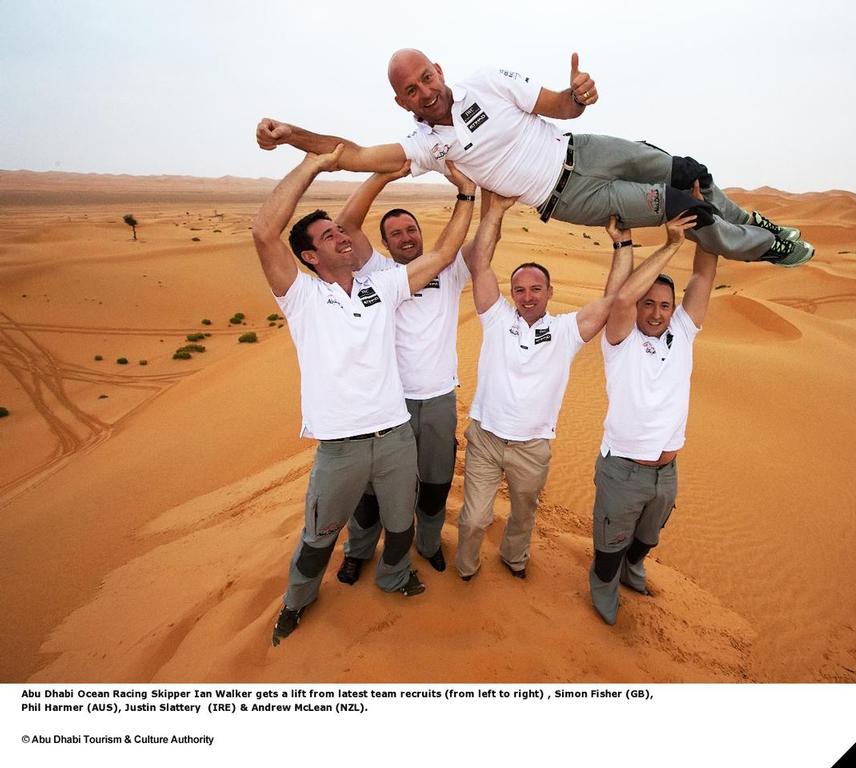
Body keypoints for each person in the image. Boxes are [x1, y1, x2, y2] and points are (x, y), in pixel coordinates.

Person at [256, 49, 813, 268]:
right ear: (400, 101)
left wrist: (579, 94)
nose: (423, 91)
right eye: (410, 89)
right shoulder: (426, 146)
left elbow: (561, 108)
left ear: (439, 71)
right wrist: (291, 134)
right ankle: (765, 248)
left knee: (692, 173)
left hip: (586, 149)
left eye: (426, 77)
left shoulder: (487, 81)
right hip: (570, 195)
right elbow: (349, 155)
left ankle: (756, 221)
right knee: (687, 211)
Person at [251, 144, 476, 645]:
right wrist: (313, 163)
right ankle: (297, 599)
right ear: (310, 256)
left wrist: (465, 193)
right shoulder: (303, 297)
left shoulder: (382, 287)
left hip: (395, 435)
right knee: (320, 533)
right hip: (342, 445)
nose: (339, 235)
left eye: (338, 230)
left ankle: (395, 575)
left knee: (400, 523)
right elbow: (264, 232)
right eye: (328, 235)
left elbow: (440, 255)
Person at [455, 190, 699, 580]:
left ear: (550, 293)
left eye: (536, 289)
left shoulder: (564, 331)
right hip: (485, 438)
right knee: (474, 517)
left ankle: (514, 561)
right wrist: (496, 210)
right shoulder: (497, 318)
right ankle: (466, 570)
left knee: (523, 514)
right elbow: (481, 265)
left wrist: (622, 244)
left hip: (532, 445)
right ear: (511, 294)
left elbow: (612, 301)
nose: (528, 296)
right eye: (520, 289)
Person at [328, 167, 485, 583]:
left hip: (437, 400)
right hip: (387, 406)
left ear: (420, 232)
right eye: (395, 233)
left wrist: (480, 198)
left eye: (410, 229)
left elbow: (479, 241)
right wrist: (384, 174)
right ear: (383, 243)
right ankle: (359, 550)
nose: (405, 237)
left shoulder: (446, 269)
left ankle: (429, 544)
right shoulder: (374, 272)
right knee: (372, 488)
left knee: (435, 483)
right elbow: (345, 225)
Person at [588, 201, 717, 626]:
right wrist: (670, 243)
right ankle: (603, 581)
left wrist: (706, 221)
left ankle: (633, 567)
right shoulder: (619, 339)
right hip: (623, 469)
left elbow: (702, 275)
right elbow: (622, 295)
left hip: (667, 469)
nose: (657, 313)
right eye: (650, 304)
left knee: (648, 536)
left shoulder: (682, 332)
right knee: (611, 541)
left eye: (665, 305)